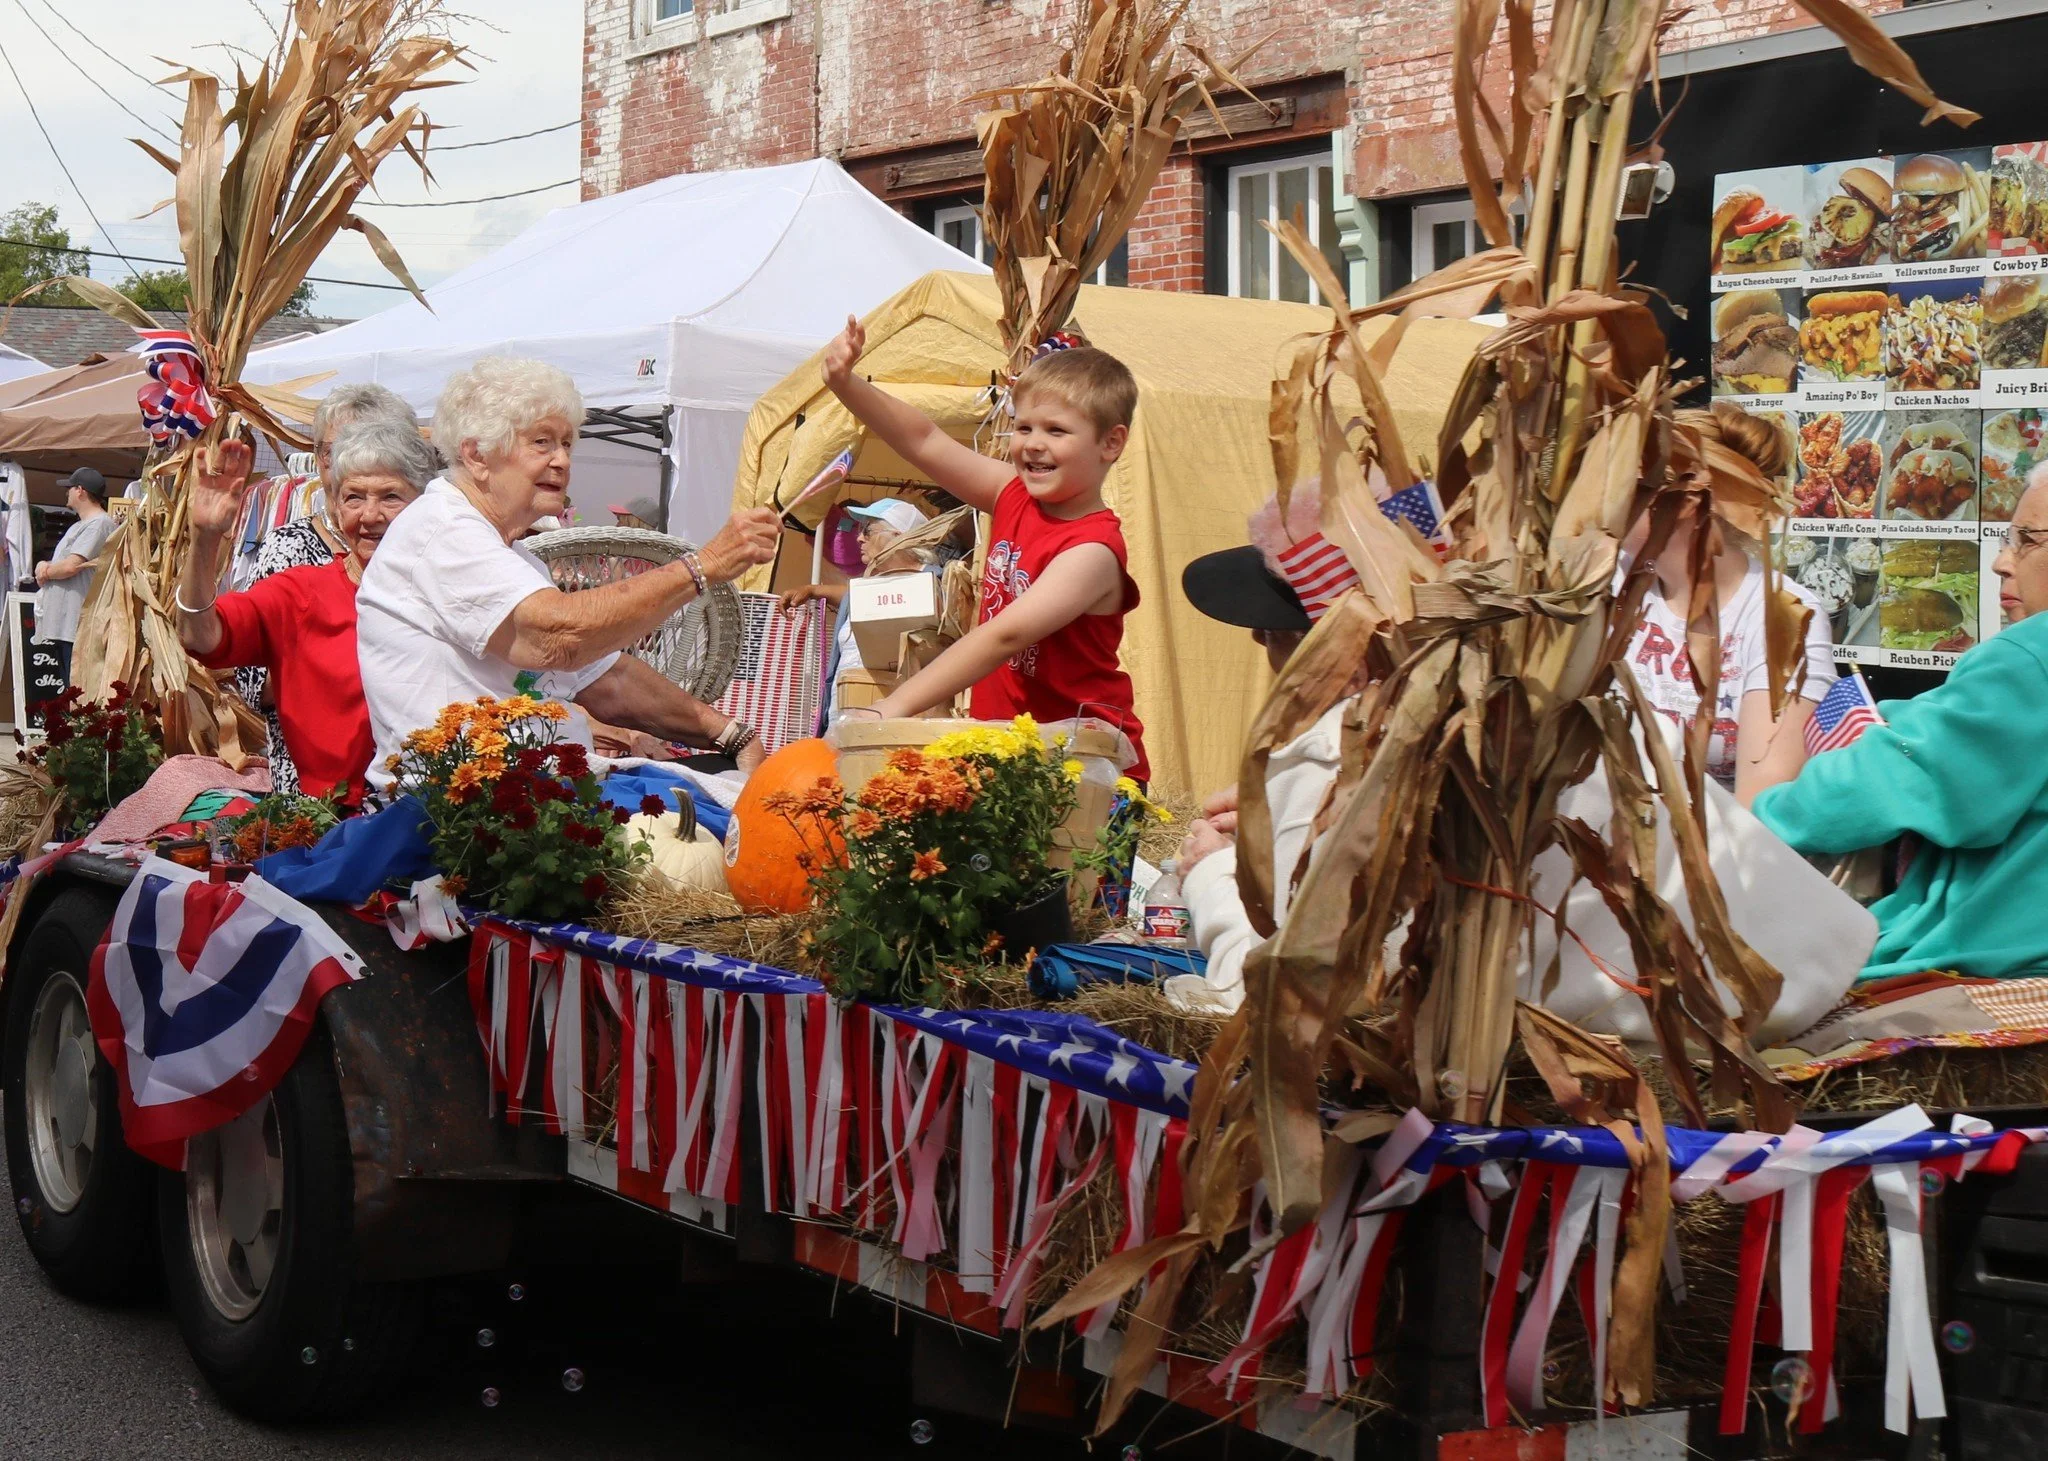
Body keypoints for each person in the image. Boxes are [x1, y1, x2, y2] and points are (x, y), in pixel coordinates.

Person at [356, 356, 782, 793]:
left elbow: (608, 678)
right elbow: (557, 639)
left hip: (535, 792)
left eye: (567, 444)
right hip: (462, 811)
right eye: (541, 442)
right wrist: (702, 567)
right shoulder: (442, 530)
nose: (562, 460)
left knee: (768, 803)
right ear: (477, 454)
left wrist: (731, 734)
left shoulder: (515, 555)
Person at [820, 318, 1150, 782]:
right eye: (1024, 427)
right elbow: (924, 440)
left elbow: (1003, 637)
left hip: (1086, 767)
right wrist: (845, 384)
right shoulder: (1012, 494)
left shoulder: (1092, 550)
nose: (1033, 444)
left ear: (1110, 443)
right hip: (1013, 753)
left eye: (1056, 431)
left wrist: (888, 711)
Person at [1755, 464, 2048, 981]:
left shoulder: (2030, 657)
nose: (2003, 563)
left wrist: (1753, 824)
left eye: (2026, 541)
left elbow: (1896, 777)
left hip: (1993, 952)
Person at [177, 420, 435, 803]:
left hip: (440, 821)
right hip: (330, 825)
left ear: (424, 506)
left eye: (390, 497)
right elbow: (200, 635)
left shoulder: (448, 590)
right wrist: (204, 539)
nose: (369, 515)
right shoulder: (302, 593)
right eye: (354, 498)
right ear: (333, 505)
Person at [1622, 403, 1834, 806]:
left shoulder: (1784, 614)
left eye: (1627, 486)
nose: (1605, 499)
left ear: (1687, 502)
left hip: (1709, 859)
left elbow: (1759, 802)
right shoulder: (1610, 582)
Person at [233, 384, 424, 784]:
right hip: (317, 782)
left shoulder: (428, 551)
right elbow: (254, 685)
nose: (345, 458)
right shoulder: (291, 547)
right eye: (331, 449)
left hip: (411, 775)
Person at [777, 496, 934, 718]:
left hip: (891, 730)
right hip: (840, 725)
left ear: (898, 537)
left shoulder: (935, 586)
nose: (859, 538)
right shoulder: (868, 588)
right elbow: (859, 596)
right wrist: (813, 590)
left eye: (868, 531)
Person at [34, 467, 117, 686]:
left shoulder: (99, 524)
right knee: (70, 690)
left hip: (76, 625)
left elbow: (72, 566)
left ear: (80, 490)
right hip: (64, 624)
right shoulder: (80, 525)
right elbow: (64, 562)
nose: (67, 493)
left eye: (70, 488)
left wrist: (46, 571)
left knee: (77, 690)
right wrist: (46, 565)